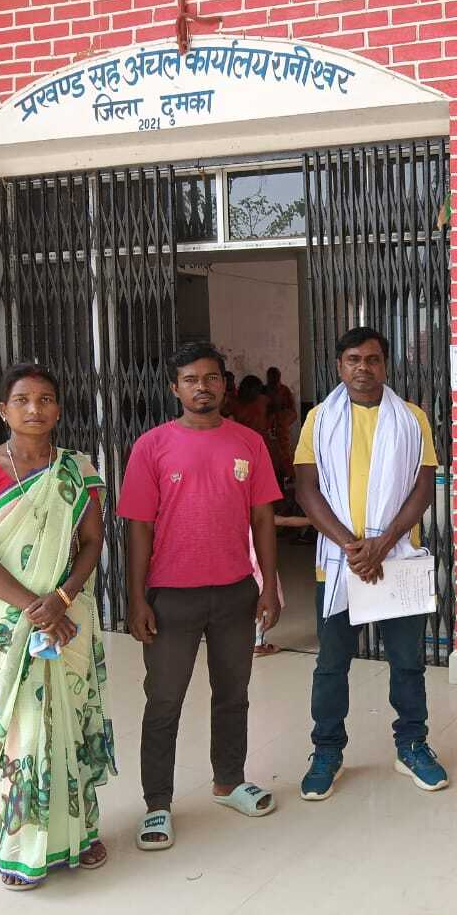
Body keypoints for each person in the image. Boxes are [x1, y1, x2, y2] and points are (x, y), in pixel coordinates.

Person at [0, 363, 115, 890]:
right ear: (3, 410)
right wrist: (35, 608)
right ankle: (19, 849)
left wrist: (62, 599)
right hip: (6, 624)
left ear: (58, 409)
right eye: (22, 399)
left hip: (68, 615)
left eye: (45, 399)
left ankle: (81, 833)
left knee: (73, 717)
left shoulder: (76, 469)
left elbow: (91, 542)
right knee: (20, 730)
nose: (34, 408)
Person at [118, 342, 282, 851]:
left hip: (235, 592)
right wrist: (137, 598)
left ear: (224, 385)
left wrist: (268, 586)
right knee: (164, 700)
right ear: (175, 388)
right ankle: (157, 804)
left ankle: (229, 781)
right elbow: (138, 528)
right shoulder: (151, 446)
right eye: (190, 379)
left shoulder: (249, 443)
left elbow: (263, 519)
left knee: (233, 693)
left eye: (211, 378)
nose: (202, 387)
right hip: (171, 597)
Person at [294, 326, 448, 797]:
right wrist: (352, 546)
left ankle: (412, 745)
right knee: (331, 664)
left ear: (385, 365)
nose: (364, 368)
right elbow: (306, 488)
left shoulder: (412, 418)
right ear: (339, 365)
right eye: (354, 359)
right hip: (338, 564)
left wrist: (383, 543)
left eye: (373, 359)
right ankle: (327, 751)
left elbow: (423, 488)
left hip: (397, 560)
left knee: (407, 662)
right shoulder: (319, 419)